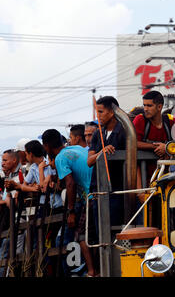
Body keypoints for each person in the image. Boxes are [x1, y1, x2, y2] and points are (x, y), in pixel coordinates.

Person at [42, 129, 97, 277]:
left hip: (90, 197)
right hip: (98, 191)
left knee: (81, 237)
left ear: (47, 146)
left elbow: (70, 183)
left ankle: (92, 272)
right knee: (95, 235)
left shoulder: (60, 158)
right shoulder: (76, 148)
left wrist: (71, 212)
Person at [87, 96, 127, 227]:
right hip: (98, 190)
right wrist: (101, 152)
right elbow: (89, 161)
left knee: (115, 229)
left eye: (100, 112)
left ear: (111, 112)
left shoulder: (124, 131)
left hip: (117, 190)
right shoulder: (98, 134)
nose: (98, 116)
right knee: (99, 231)